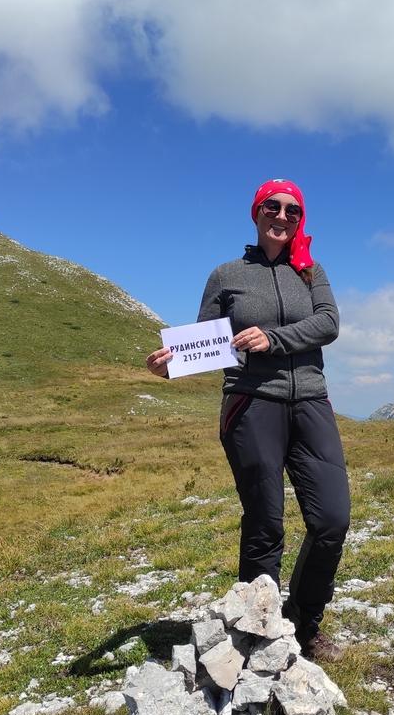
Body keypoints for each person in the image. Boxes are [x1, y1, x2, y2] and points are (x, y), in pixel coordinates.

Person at [146, 177, 350, 662]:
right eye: (272, 207)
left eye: (292, 210)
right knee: (264, 522)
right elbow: (205, 339)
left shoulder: (310, 270)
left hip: (311, 400)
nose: (282, 217)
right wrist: (170, 364)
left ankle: (303, 621)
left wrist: (273, 340)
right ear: (256, 213)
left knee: (332, 519)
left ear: (300, 219)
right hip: (250, 402)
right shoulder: (227, 275)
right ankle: (257, 633)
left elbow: (329, 323)